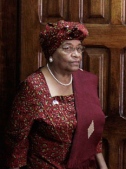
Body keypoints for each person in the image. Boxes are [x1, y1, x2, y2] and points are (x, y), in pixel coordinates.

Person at [4, 20, 108, 169]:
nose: (76, 55)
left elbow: (92, 132)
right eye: (68, 48)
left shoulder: (87, 82)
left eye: (79, 49)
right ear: (51, 52)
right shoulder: (34, 87)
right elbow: (16, 141)